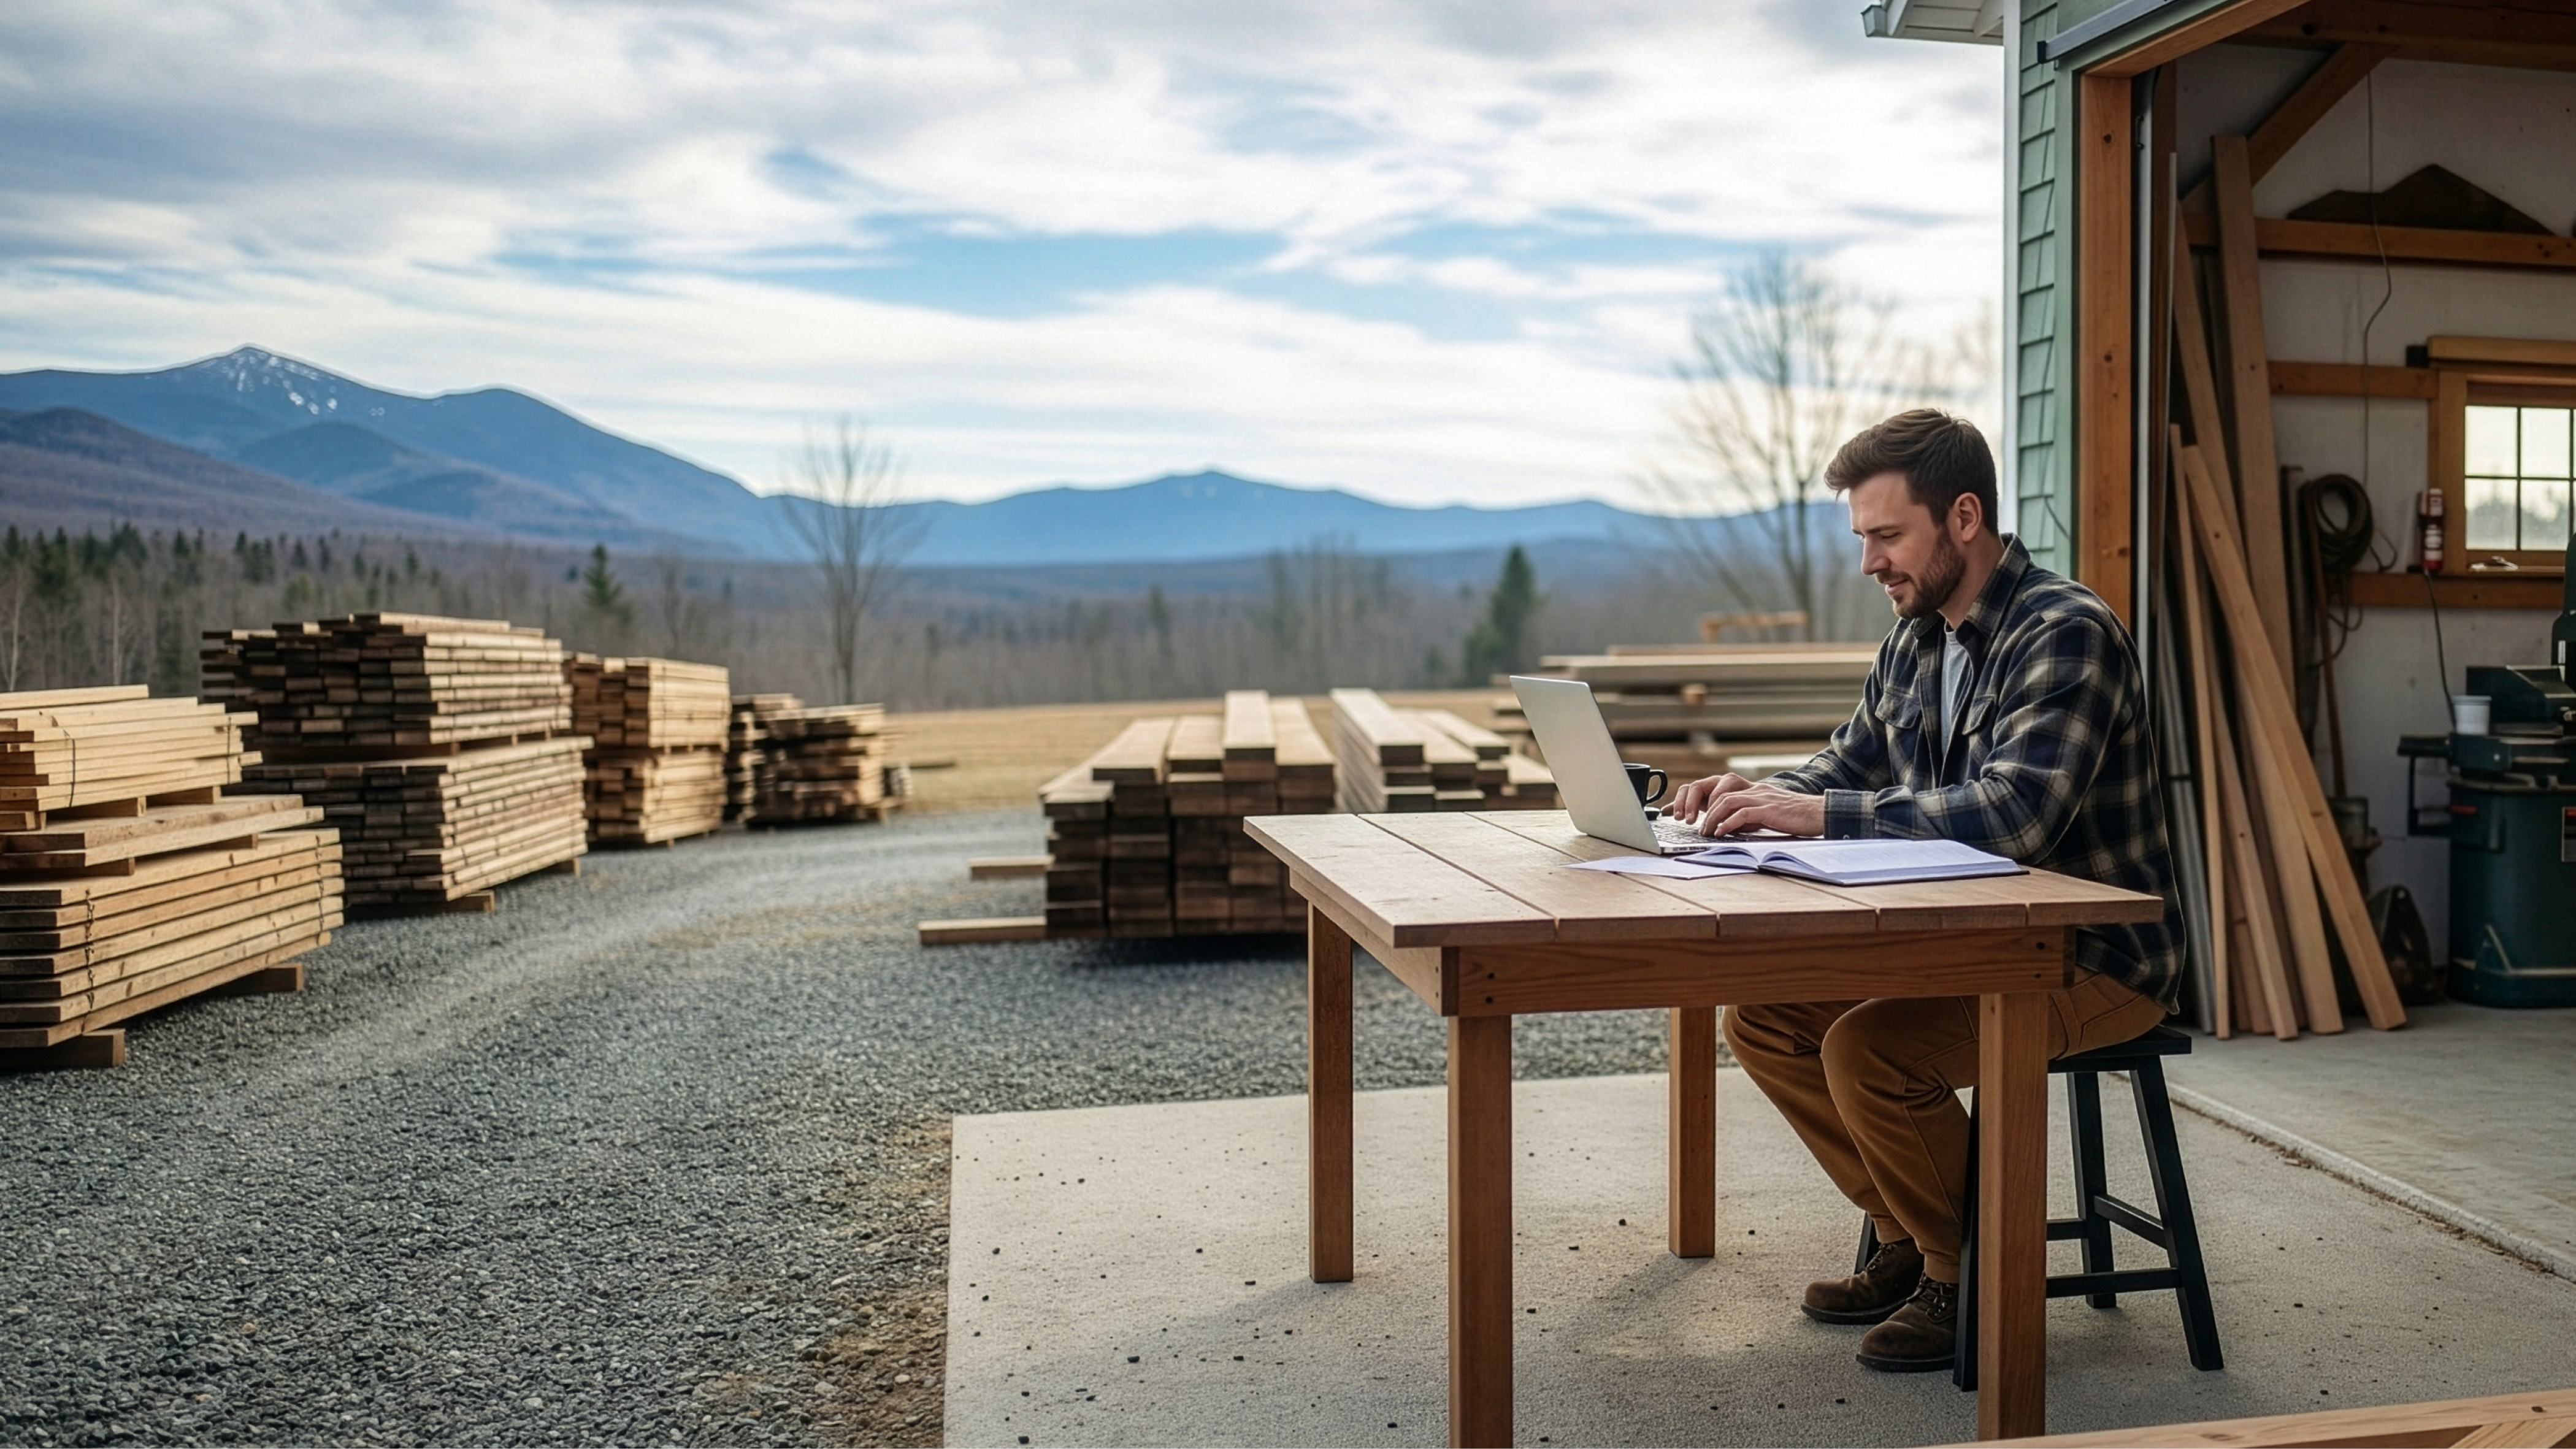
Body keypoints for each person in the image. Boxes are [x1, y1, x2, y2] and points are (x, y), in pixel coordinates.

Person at [1669, 408, 2183, 1374]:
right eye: (1862, 538)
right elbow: (1848, 762)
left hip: (2094, 958)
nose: (1870, 562)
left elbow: (2015, 815)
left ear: (1963, 518)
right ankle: (1906, 1234)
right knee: (1765, 1017)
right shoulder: (1918, 637)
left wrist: (1814, 820)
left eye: (1886, 536)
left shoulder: (2067, 633)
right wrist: (1755, 793)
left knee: (1869, 1047)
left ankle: (1966, 1275)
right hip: (1971, 941)